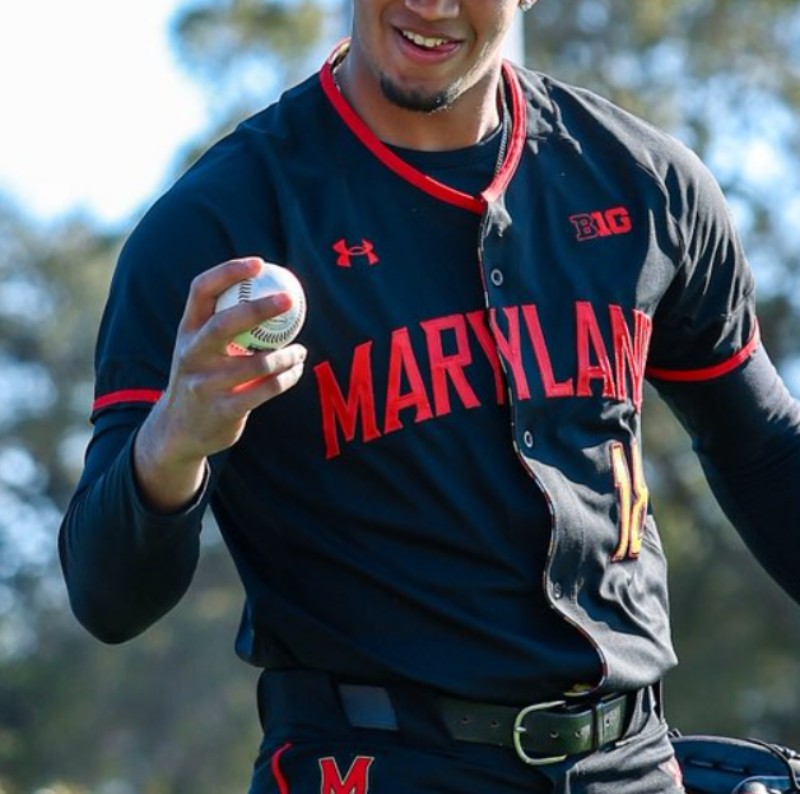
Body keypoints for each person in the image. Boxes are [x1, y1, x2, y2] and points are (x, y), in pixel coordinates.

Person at [59, 0, 800, 791]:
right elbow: (107, 597)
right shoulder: (217, 225)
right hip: (375, 764)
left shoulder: (644, 181)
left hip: (630, 761)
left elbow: (763, 453)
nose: (432, 5)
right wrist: (173, 445)